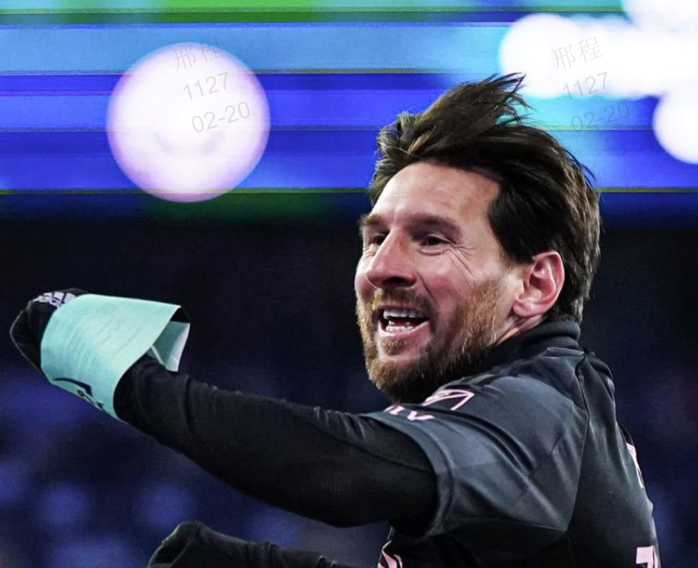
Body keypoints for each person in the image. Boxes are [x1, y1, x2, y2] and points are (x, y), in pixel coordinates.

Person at [10, 74, 661, 567]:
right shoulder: (563, 402)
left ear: (536, 284)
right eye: (375, 239)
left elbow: (344, 474)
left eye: (433, 239)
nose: (382, 268)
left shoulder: (533, 411)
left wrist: (132, 382)